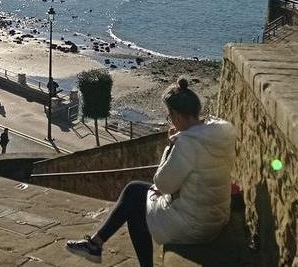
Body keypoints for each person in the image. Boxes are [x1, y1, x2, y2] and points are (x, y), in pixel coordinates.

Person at [66, 79, 237, 265]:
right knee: (135, 194)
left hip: (194, 225)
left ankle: (97, 246)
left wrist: (170, 146)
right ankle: (95, 245)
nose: (170, 121)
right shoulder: (221, 131)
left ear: (177, 115)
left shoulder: (187, 144)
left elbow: (162, 184)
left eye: (170, 117)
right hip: (214, 217)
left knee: (134, 201)